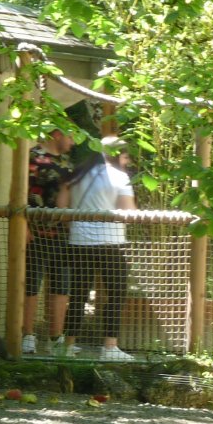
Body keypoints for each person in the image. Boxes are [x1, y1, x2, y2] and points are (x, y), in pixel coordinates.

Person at [57, 134, 137, 362]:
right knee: (116, 294)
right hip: (110, 243)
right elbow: (129, 213)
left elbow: (62, 208)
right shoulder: (120, 177)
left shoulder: (77, 175)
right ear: (119, 155)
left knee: (78, 294)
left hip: (79, 242)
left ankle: (68, 346)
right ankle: (110, 347)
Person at [20, 127, 76, 355]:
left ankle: (55, 339)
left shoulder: (67, 163)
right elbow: (20, 192)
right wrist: (23, 225)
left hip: (62, 234)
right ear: (57, 134)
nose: (73, 142)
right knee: (32, 284)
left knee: (62, 285)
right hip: (36, 232)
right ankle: (27, 335)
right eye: (71, 136)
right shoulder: (33, 157)